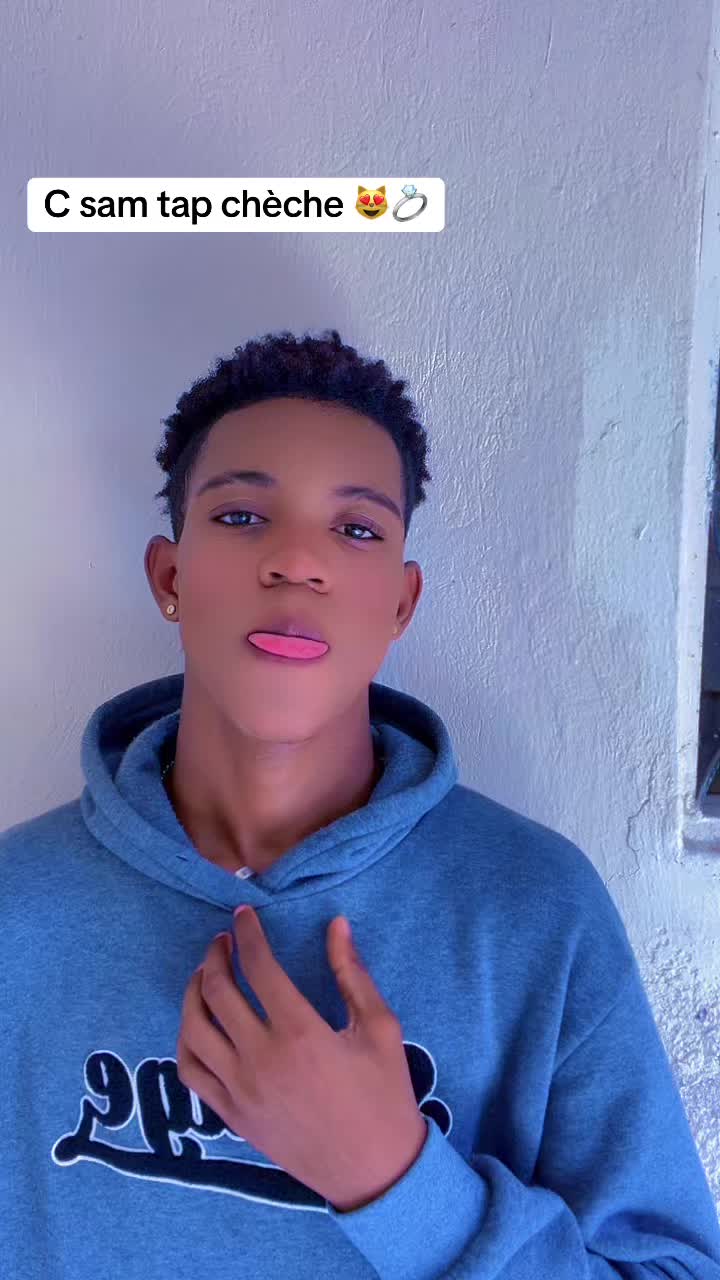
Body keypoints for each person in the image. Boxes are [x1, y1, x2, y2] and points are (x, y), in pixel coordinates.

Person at [2, 328, 719, 1278]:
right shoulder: (16, 911)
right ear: (171, 577)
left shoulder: (534, 909)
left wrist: (397, 1182)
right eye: (242, 516)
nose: (298, 561)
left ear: (402, 603)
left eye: (357, 530)